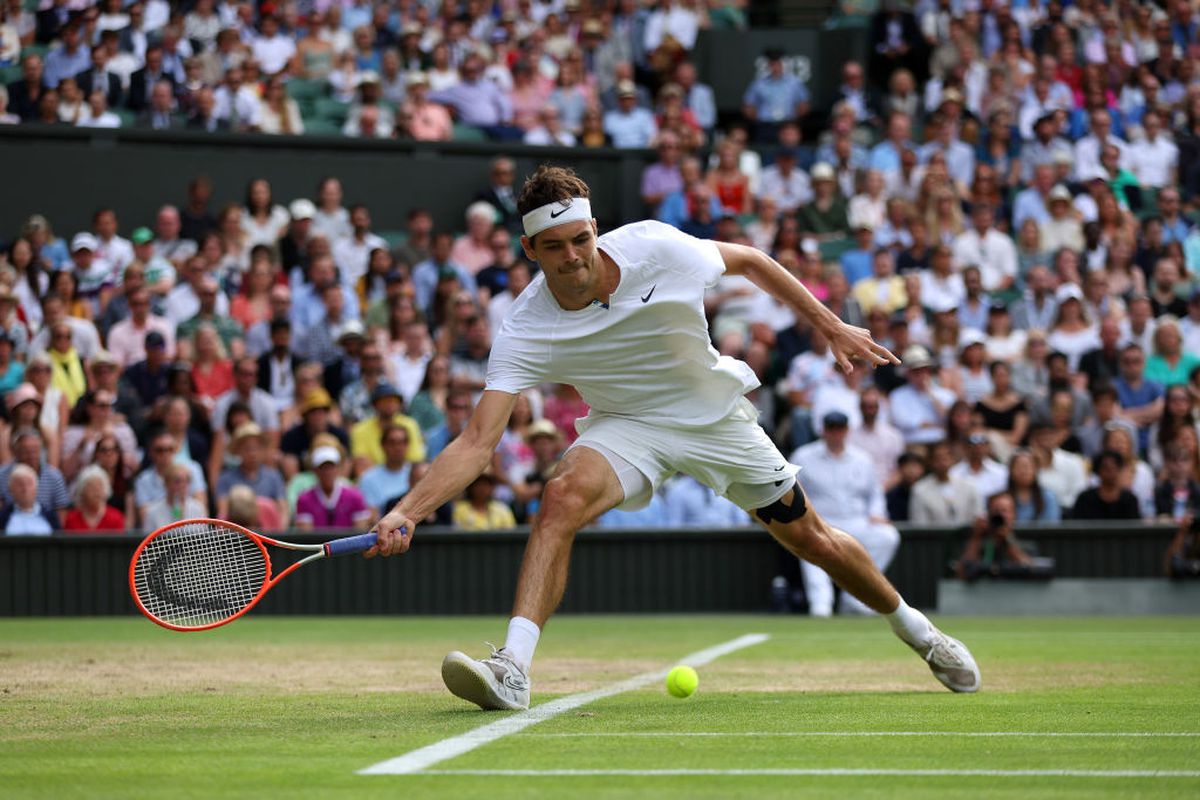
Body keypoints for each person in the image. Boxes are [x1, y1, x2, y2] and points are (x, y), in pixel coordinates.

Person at [366, 165, 980, 711]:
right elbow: (477, 442)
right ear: (529, 249)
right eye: (553, 247)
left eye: (581, 240)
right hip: (627, 427)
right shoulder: (526, 328)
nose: (573, 257)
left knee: (812, 539)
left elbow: (752, 262)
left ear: (596, 230)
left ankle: (917, 631)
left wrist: (832, 325)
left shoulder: (659, 248)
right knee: (560, 498)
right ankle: (514, 669)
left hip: (712, 416)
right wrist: (409, 509)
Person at [790, 412, 900, 618]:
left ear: (847, 431)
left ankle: (854, 599)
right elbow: (793, 489)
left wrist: (876, 513)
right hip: (820, 522)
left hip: (857, 521)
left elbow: (875, 493)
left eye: (839, 428)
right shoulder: (802, 456)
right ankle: (821, 604)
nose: (835, 433)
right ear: (823, 430)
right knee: (808, 542)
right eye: (831, 428)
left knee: (888, 536)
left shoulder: (862, 459)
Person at [955, 491, 1035, 581]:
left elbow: (1029, 570)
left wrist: (1007, 539)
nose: (1000, 515)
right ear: (988, 514)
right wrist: (976, 537)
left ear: (1014, 514)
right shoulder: (975, 540)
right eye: (996, 511)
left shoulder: (1025, 541)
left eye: (1005, 511)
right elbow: (961, 574)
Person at [293, 445, 373, 530]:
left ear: (338, 468)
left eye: (331, 467)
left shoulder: (355, 497)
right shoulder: (304, 499)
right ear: (315, 470)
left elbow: (360, 531)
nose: (327, 472)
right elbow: (306, 535)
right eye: (323, 468)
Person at [910, 441, 981, 526]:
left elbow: (978, 516)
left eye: (946, 457)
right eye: (937, 458)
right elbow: (920, 524)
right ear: (930, 461)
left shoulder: (969, 485)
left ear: (952, 459)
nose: (942, 462)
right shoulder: (919, 489)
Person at [1071, 450, 1142, 520]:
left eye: (1114, 468)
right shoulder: (1085, 499)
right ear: (1098, 471)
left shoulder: (1130, 500)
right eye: (1106, 468)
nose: (1111, 472)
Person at [62, 464, 125, 532]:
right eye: (91, 488)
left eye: (99, 487)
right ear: (82, 492)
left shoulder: (116, 518)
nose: (96, 492)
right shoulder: (71, 519)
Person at [0, 463, 60, 534]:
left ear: (36, 488)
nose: (25, 489)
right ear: (11, 489)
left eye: (29, 483)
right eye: (20, 484)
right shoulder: (2, 518)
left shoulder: (50, 517)